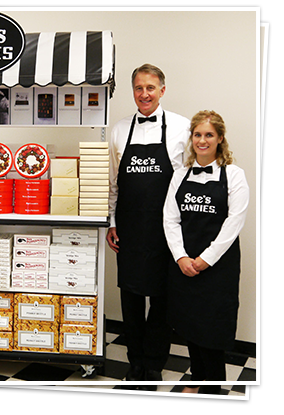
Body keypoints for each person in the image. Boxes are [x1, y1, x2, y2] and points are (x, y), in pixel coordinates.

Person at [107, 64, 191, 389]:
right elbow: (114, 184)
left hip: (165, 230)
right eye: (139, 88)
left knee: (161, 299)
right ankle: (136, 362)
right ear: (133, 90)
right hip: (129, 227)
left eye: (150, 88)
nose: (144, 94)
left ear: (162, 91)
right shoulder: (118, 129)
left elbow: (187, 181)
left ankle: (154, 364)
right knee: (130, 298)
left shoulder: (182, 127)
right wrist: (112, 221)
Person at [163, 110, 249, 394]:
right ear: (191, 138)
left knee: (212, 329)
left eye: (209, 135)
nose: (202, 140)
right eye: (197, 134)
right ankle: (198, 379)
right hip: (185, 264)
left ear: (220, 138)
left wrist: (204, 260)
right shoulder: (180, 175)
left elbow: (234, 223)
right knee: (190, 325)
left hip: (217, 267)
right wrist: (181, 257)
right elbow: (170, 219)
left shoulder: (234, 175)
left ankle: (211, 390)